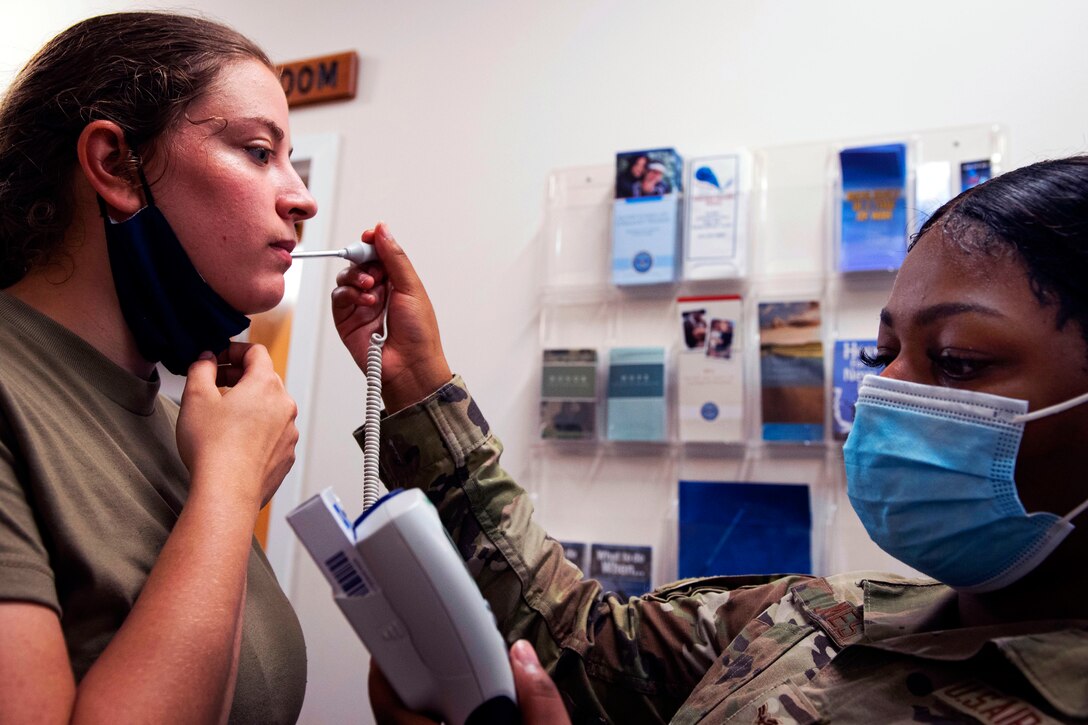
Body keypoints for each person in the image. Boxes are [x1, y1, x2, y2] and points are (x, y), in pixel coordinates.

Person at [334, 158, 1088, 723]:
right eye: (880, 354)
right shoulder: (823, 614)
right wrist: (416, 383)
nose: (885, 395)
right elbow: (573, 645)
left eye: (957, 360)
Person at [0, 12, 315, 722]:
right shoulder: (220, 456)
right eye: (260, 152)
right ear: (115, 164)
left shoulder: (189, 427)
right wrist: (232, 483)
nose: (301, 197)